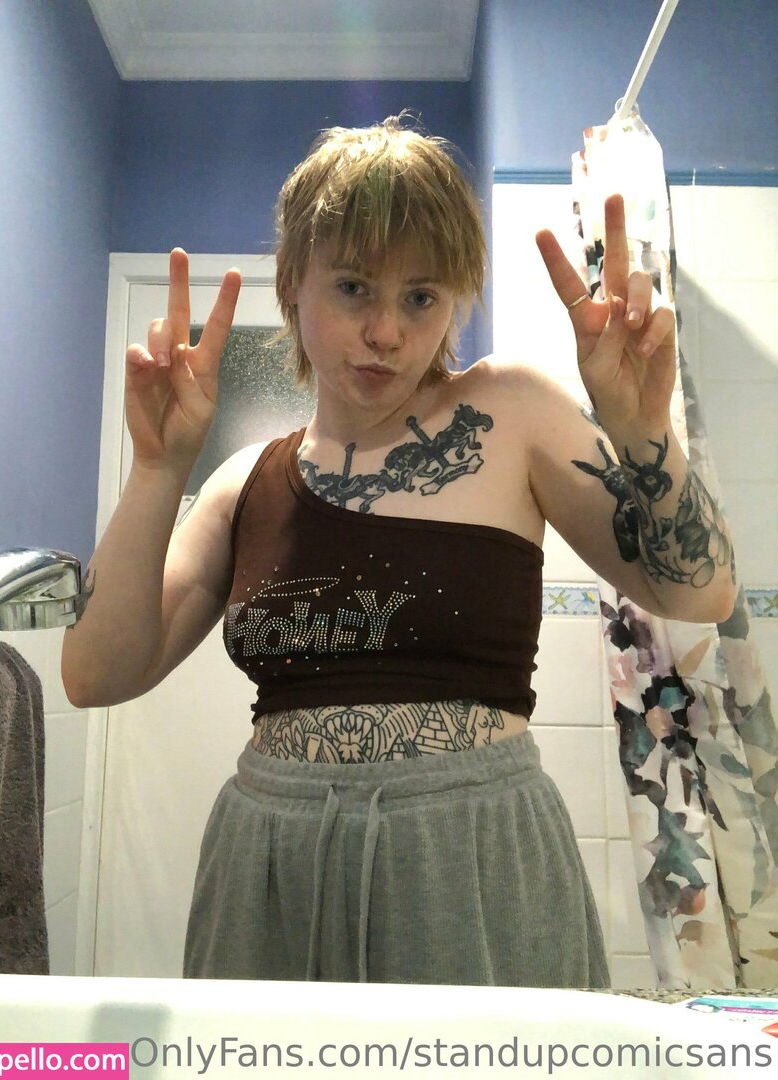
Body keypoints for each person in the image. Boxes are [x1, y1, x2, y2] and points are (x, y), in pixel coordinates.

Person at [61, 115, 736, 988]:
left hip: (471, 856)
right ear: (293, 282)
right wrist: (158, 469)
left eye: (421, 297)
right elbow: (94, 675)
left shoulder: (511, 411)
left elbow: (699, 594)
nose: (385, 331)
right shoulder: (242, 484)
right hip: (270, 866)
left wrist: (645, 433)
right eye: (353, 288)